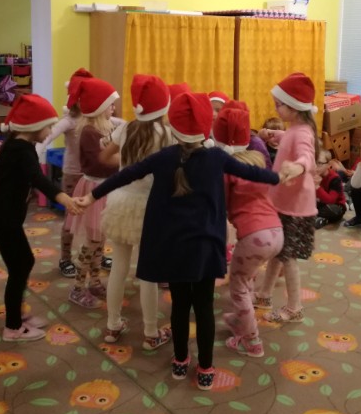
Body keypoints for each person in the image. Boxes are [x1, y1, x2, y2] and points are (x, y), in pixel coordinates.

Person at [77, 92, 295, 390]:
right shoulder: (217, 157)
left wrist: (91, 196)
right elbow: (254, 173)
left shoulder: (163, 157)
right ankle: (206, 368)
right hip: (205, 247)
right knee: (203, 308)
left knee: (179, 306)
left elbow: (124, 175)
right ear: (206, 127)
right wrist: (282, 176)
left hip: (173, 247)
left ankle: (180, 361)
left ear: (174, 126)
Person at [0, 94, 81, 341]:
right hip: (2, 221)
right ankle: (13, 327)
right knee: (20, 266)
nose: (51, 131)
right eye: (48, 126)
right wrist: (64, 198)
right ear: (33, 126)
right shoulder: (20, 150)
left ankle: (17, 315)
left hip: (4, 219)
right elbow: (38, 179)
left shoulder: (20, 146)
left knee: (23, 263)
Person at [98, 74, 175, 350]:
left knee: (118, 267)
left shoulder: (127, 128)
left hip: (120, 202)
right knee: (148, 273)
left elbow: (104, 156)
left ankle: (112, 325)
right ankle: (151, 333)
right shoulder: (167, 134)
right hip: (150, 206)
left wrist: (129, 162)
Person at [214, 103, 284, 358]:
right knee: (248, 275)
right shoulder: (258, 161)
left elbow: (220, 203)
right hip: (276, 232)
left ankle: (252, 341)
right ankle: (240, 318)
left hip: (254, 236)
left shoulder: (228, 170)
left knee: (238, 286)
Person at [254, 72, 318, 324]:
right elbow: (291, 138)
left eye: (279, 105)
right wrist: (273, 133)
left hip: (294, 208)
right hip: (285, 203)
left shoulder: (302, 133)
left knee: (287, 258)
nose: (275, 109)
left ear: (293, 107)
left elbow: (307, 155)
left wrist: (298, 167)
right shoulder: (296, 129)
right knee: (278, 252)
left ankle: (294, 307)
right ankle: (264, 294)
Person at [65, 77, 120, 308]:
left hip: (105, 188)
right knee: (93, 240)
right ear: (99, 107)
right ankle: (77, 287)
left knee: (100, 240)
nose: (114, 108)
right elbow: (101, 163)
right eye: (110, 104)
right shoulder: (89, 132)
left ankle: (94, 281)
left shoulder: (104, 128)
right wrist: (123, 160)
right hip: (94, 189)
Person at [35, 67, 93, 278]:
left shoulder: (95, 118)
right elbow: (50, 135)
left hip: (93, 176)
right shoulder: (69, 121)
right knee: (70, 219)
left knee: (97, 218)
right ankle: (65, 258)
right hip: (73, 175)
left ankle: (96, 254)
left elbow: (118, 126)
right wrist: (37, 150)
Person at [314, 149, 347, 228]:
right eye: (314, 162)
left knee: (333, 211)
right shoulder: (312, 174)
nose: (315, 166)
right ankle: (320, 218)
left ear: (328, 165)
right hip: (319, 204)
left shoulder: (335, 178)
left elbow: (331, 200)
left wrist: (317, 186)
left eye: (319, 163)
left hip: (335, 206)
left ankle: (318, 217)